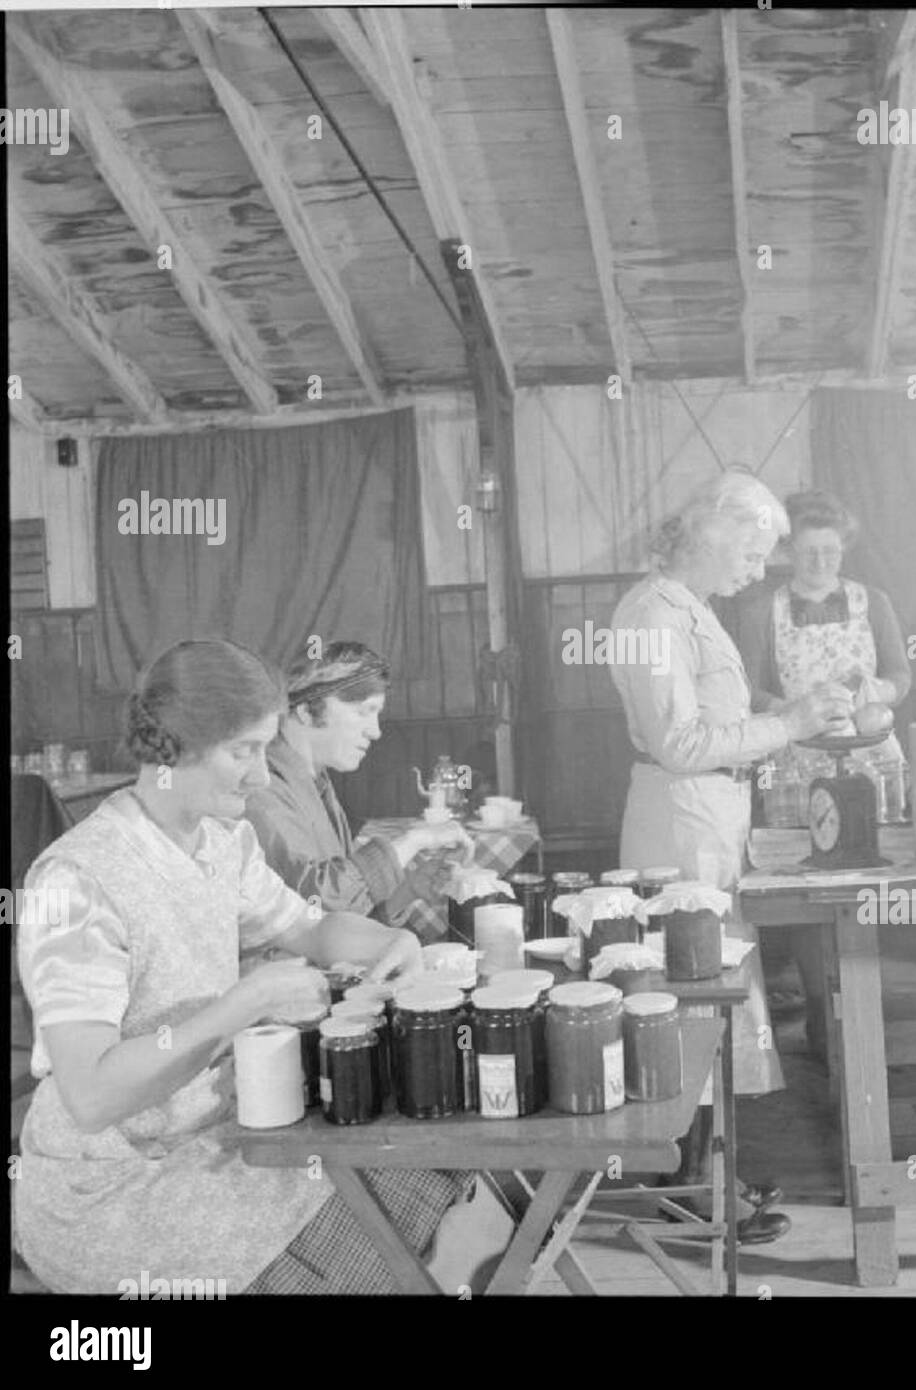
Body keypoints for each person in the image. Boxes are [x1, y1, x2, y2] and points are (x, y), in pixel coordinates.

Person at [14, 639, 503, 1295]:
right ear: (173, 748)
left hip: (213, 1136)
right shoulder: (78, 880)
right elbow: (93, 1095)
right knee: (386, 1205)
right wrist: (246, 1000)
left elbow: (310, 927)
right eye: (242, 752)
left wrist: (387, 942)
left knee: (431, 1158)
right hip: (112, 1186)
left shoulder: (220, 842)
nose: (259, 776)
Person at [609, 468, 853, 1245]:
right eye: (753, 554)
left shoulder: (690, 611)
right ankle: (688, 1187)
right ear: (718, 534)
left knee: (710, 998)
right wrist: (792, 725)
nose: (757, 571)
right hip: (681, 824)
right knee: (690, 1002)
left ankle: (707, 1171)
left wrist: (784, 711)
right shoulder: (652, 612)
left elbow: (718, 715)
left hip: (707, 817)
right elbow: (680, 743)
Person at [727, 490, 913, 1049]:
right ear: (787, 552)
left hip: (870, 753)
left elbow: (901, 676)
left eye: (830, 551)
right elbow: (748, 689)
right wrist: (793, 711)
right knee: (811, 883)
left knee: (869, 875)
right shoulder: (763, 610)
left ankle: (861, 1005)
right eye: (809, 552)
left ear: (844, 549)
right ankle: (817, 1007)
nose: (820, 562)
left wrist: (875, 692)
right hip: (797, 759)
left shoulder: (872, 600)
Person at [244, 641, 472, 943]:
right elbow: (315, 905)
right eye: (365, 712)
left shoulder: (318, 785)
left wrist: (406, 892)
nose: (375, 731)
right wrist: (417, 839)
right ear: (307, 712)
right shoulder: (263, 789)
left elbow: (339, 927)